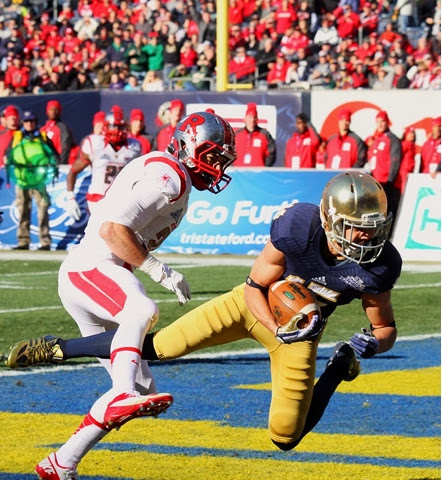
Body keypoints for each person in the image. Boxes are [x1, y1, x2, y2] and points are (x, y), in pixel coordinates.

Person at [8, 171, 401, 458]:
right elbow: (253, 286)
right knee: (160, 346)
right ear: (330, 220)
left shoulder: (380, 265)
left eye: (373, 228)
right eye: (356, 228)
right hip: (249, 307)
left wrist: (371, 344)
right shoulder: (298, 227)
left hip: (300, 332)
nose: (367, 237)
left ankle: (337, 368)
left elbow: (384, 327)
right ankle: (58, 348)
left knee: (286, 437)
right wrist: (273, 325)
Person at [7, 110, 238, 478]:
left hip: (100, 272)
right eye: (213, 156)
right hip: (92, 267)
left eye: (222, 160)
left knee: (142, 389)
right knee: (141, 311)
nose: (217, 167)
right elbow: (113, 231)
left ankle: (61, 462)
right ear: (188, 146)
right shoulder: (171, 176)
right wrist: (161, 271)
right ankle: (117, 390)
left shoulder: (173, 176)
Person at [64, 105, 142, 222]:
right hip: (97, 198)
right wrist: (70, 197)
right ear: (105, 127)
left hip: (122, 199)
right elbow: (73, 171)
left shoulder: (134, 147)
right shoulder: (96, 144)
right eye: (113, 126)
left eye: (120, 127)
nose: (116, 130)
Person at [4, 110, 59, 250]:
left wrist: (51, 167)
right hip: (22, 179)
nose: (29, 124)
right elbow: (8, 155)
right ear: (23, 122)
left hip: (39, 180)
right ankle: (23, 241)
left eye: (32, 121)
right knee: (23, 209)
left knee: (43, 209)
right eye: (26, 121)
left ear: (35, 122)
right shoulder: (17, 137)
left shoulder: (43, 137)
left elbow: (54, 156)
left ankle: (45, 241)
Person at [365, 110, 402, 230]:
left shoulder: (392, 139)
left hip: (387, 183)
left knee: (387, 214)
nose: (380, 124)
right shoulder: (377, 140)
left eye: (382, 121)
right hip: (376, 183)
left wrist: (390, 180)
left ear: (387, 122)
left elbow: (395, 161)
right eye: (378, 122)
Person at [233, 103, 276, 167]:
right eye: (250, 117)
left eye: (254, 117)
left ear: (257, 119)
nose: (252, 120)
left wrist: (265, 168)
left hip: (258, 172)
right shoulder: (237, 135)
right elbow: (230, 152)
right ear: (245, 118)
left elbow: (271, 154)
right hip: (238, 171)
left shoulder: (265, 135)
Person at [40, 100, 74, 165]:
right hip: (44, 163)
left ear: (59, 111)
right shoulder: (43, 129)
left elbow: (65, 148)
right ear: (47, 111)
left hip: (58, 163)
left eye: (56, 109)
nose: (53, 112)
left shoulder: (63, 128)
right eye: (51, 109)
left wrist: (61, 164)